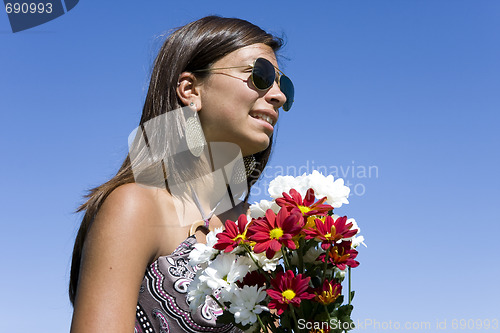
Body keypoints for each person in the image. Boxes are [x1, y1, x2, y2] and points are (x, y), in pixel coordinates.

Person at [69, 15, 294, 333]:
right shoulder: (136, 206)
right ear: (191, 90)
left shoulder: (259, 227)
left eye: (284, 86)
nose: (278, 96)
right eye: (260, 75)